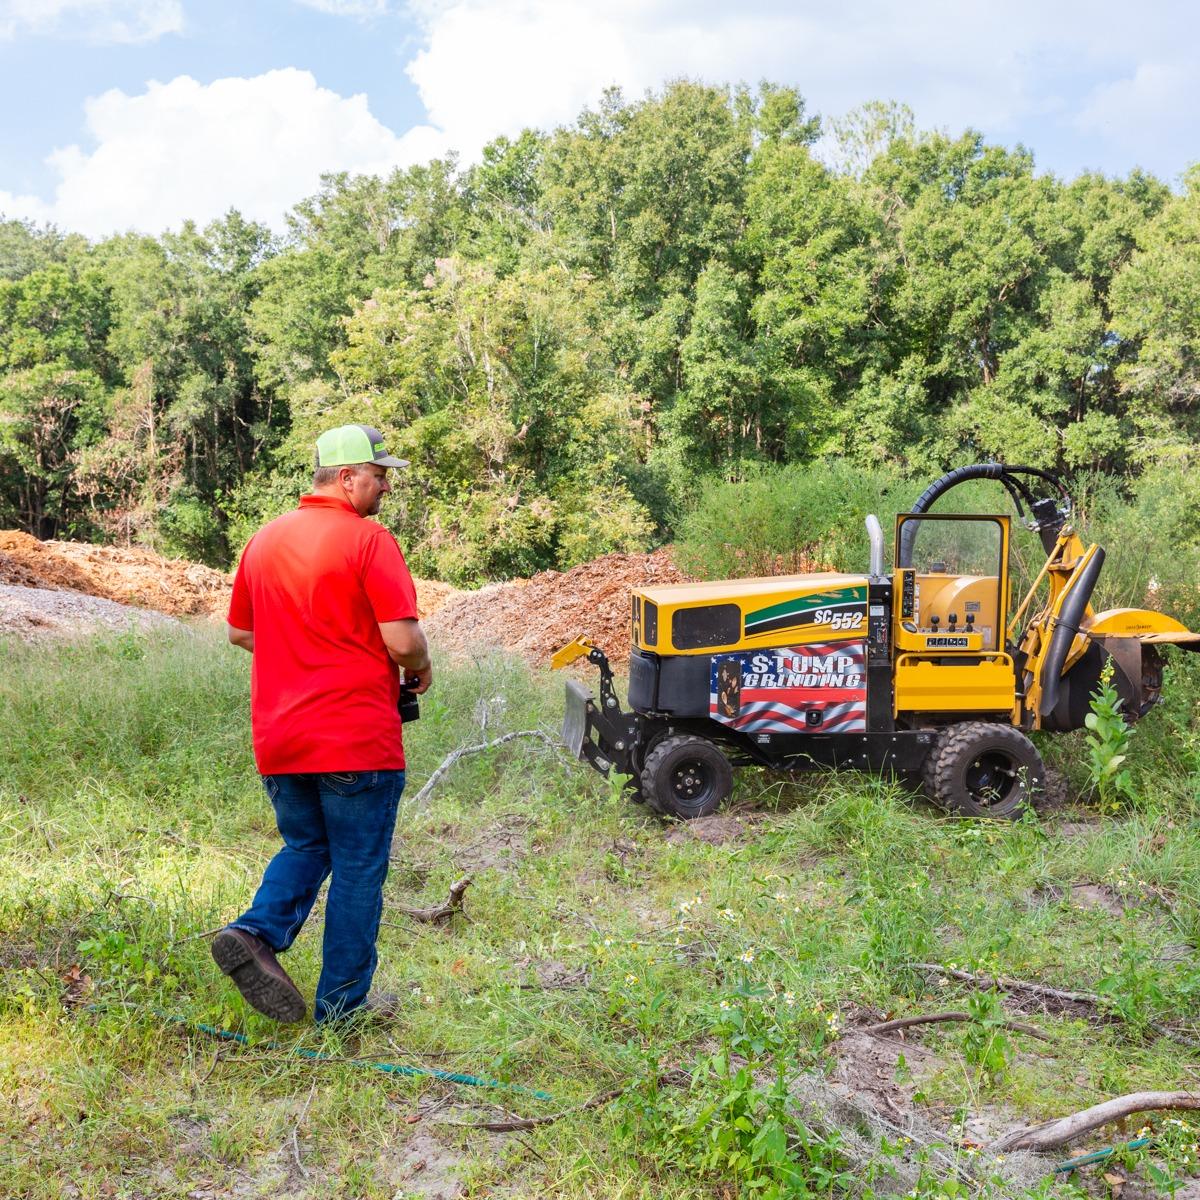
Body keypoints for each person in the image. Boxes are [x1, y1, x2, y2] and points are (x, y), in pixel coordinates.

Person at [212, 424, 432, 1023]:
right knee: (358, 869)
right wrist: (422, 663)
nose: (385, 486)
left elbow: (239, 631)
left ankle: (254, 934)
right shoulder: (368, 541)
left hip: (281, 739)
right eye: (379, 476)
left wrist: (300, 647)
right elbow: (403, 641)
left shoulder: (264, 540)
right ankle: (342, 1011)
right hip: (356, 739)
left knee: (306, 844)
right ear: (346, 477)